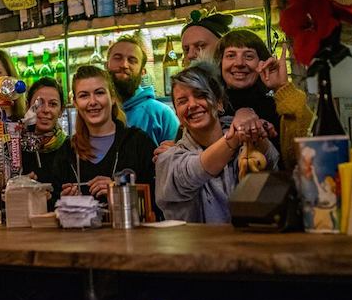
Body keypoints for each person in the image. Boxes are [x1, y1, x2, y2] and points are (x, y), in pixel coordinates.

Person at [155, 62, 279, 223]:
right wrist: (238, 132)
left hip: (251, 245)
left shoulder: (244, 145)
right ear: (177, 114)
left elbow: (270, 161)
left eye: (200, 95)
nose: (192, 105)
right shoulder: (169, 160)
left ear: (219, 103)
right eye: (182, 101)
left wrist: (254, 130)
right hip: (194, 247)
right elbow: (195, 170)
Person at [52, 65, 157, 210]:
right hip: (81, 232)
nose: (92, 102)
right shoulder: (67, 151)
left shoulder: (139, 142)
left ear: (112, 97)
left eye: (99, 93)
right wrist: (65, 203)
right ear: (75, 103)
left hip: (131, 232)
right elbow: (54, 207)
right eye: (84, 95)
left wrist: (118, 191)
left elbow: (158, 200)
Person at [218, 29, 313, 169]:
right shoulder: (209, 108)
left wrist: (281, 87)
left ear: (261, 63)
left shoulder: (278, 106)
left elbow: (308, 152)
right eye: (231, 55)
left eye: (249, 56)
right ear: (220, 63)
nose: (239, 63)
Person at [106, 33, 179, 145]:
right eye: (118, 58)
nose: (124, 65)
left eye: (132, 60)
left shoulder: (162, 114)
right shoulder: (98, 112)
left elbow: (179, 159)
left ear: (142, 71)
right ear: (106, 65)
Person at [22, 77, 68, 185]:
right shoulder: (16, 147)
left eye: (53, 104)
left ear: (61, 110)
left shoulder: (70, 148)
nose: (46, 110)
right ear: (27, 106)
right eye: (39, 103)